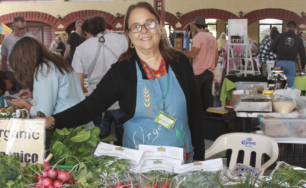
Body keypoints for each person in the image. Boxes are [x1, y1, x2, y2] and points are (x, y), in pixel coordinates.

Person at [41, 2, 205, 163]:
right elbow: (89, 108)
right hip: (140, 172)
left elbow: (196, 111)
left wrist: (199, 158)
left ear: (159, 27)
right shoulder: (121, 71)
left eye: (149, 23)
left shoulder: (180, 62)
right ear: (129, 36)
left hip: (182, 166)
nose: (144, 30)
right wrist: (53, 120)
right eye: (136, 26)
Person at [72, 16, 127, 144]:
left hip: (97, 103)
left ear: (86, 32)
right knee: (124, 141)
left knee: (100, 143)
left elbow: (78, 83)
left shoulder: (81, 49)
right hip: (122, 99)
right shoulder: (123, 39)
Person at [7, 37, 85, 119]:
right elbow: (59, 94)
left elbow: (44, 113)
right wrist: (36, 93)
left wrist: (24, 104)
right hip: (77, 117)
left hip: (66, 122)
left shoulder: (45, 68)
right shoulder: (58, 62)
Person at [184, 16, 218, 112]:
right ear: (204, 25)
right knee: (207, 99)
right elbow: (216, 55)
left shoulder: (198, 37)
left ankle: (197, 122)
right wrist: (212, 67)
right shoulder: (212, 37)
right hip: (209, 72)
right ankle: (209, 121)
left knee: (195, 99)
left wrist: (179, 53)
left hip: (198, 72)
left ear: (195, 26)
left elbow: (193, 55)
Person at [1, 16, 35, 94]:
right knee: (14, 101)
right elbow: (4, 58)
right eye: (19, 28)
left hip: (27, 77)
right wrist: (7, 74)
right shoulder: (7, 40)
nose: (22, 30)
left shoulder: (31, 38)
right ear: (13, 26)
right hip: (12, 77)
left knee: (28, 100)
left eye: (24, 28)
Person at [270, 21, 306, 87]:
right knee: (289, 88)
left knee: (278, 86)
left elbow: (272, 48)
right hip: (291, 64)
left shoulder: (280, 36)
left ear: (287, 28)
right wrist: (303, 66)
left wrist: (278, 51)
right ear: (295, 29)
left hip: (280, 63)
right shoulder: (298, 39)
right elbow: (303, 54)